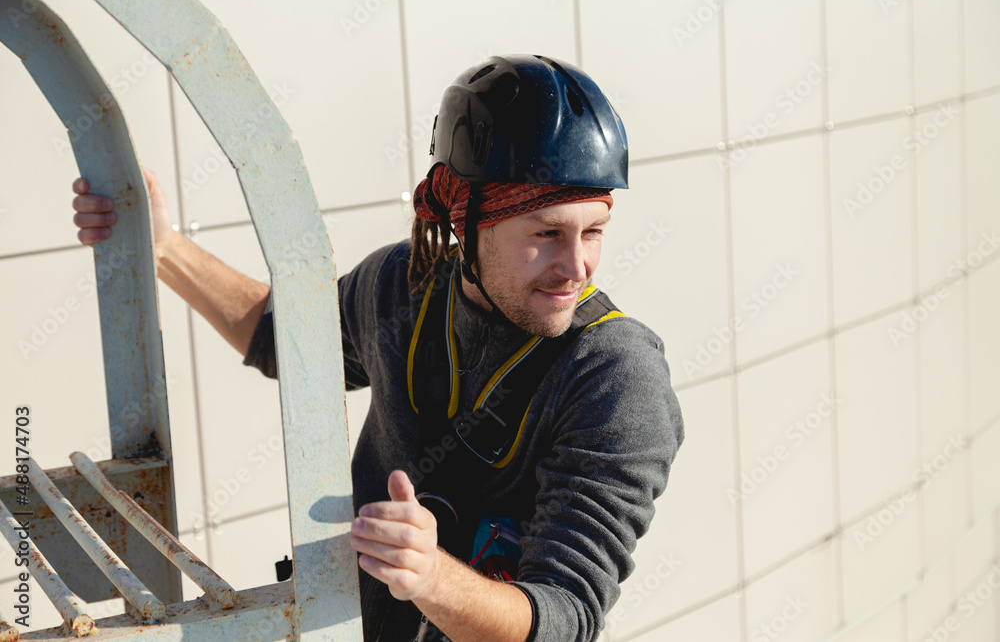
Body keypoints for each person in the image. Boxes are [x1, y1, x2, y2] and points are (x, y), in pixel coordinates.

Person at [72, 54, 684, 642]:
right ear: (466, 219)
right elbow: (280, 338)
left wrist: (431, 576)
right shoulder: (403, 286)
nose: (575, 267)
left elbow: (566, 618)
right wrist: (163, 249)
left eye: (594, 231)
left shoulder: (615, 377)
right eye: (547, 234)